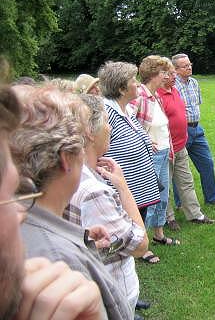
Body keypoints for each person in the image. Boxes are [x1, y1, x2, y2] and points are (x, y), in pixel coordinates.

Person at [10, 85, 133, 319]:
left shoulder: (23, 224)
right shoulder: (59, 263)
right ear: (66, 158)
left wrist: (80, 242)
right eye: (81, 142)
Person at [65, 93, 148, 314]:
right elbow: (140, 245)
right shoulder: (93, 191)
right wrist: (123, 188)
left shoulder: (68, 173)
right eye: (106, 123)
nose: (110, 129)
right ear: (91, 132)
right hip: (111, 296)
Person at [98, 61, 161, 264]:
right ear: (121, 88)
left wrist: (144, 141)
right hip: (122, 189)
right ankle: (125, 258)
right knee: (124, 228)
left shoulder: (126, 111)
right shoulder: (108, 114)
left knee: (136, 224)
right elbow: (98, 148)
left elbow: (130, 135)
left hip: (136, 186)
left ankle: (134, 253)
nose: (138, 85)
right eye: (133, 81)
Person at [157, 58, 215, 231]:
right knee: (165, 184)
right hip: (165, 148)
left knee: (186, 181)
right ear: (161, 75)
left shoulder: (174, 90)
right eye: (171, 73)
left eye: (175, 73)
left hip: (180, 143)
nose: (174, 76)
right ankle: (168, 218)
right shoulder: (157, 95)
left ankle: (195, 214)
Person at [130, 55, 180, 246]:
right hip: (149, 156)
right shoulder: (140, 95)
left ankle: (158, 234)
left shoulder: (155, 95)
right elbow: (127, 119)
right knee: (148, 199)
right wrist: (145, 139)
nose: (167, 76)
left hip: (163, 153)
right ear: (153, 74)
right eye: (163, 73)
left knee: (162, 196)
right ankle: (141, 243)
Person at [172, 53, 215, 206]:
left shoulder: (194, 83)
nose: (189, 67)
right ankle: (181, 204)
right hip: (181, 131)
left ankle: (212, 198)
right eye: (185, 66)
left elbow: (197, 105)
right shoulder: (172, 86)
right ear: (175, 70)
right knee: (180, 169)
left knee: (207, 163)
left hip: (197, 129)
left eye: (190, 64)